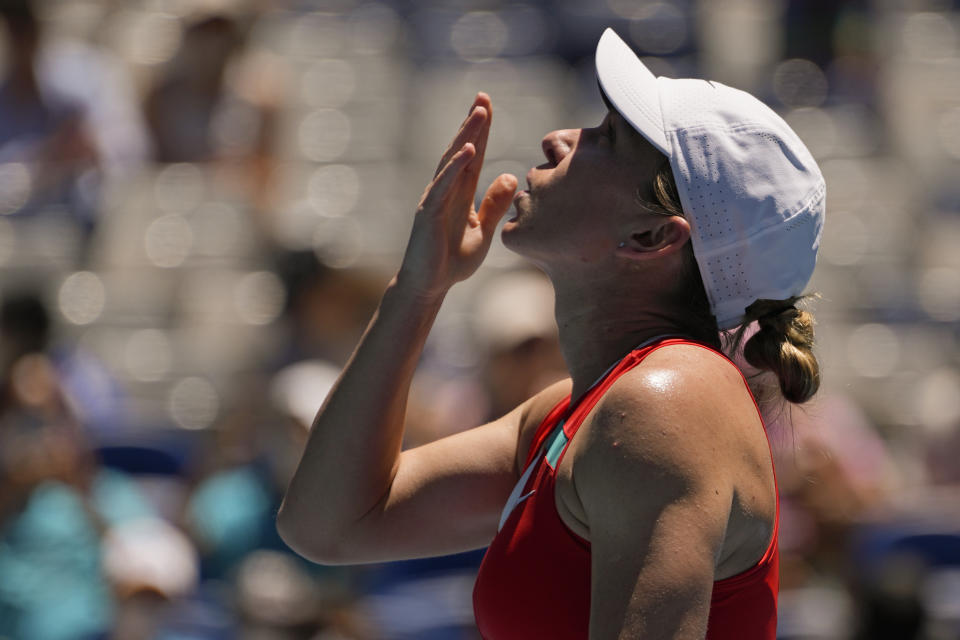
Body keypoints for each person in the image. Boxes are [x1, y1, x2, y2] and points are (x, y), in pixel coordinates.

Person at [278, 28, 825, 639]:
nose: (558, 138)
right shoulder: (574, 412)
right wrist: (418, 290)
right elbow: (326, 525)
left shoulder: (669, 402)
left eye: (608, 138)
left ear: (650, 238)